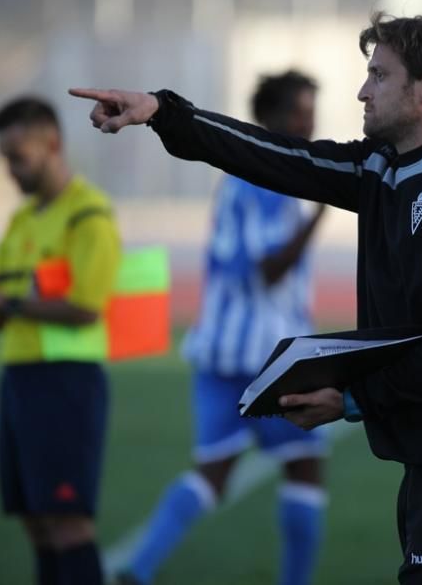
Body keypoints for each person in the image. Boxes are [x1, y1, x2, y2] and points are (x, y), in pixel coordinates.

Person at [71, 12, 422, 585]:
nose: (361, 91)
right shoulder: (384, 168)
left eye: (379, 75)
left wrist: (350, 399)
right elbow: (278, 157)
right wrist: (163, 113)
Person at [116, 71, 328, 585]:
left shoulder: (246, 175)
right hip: (265, 356)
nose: (310, 122)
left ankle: (138, 568)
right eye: (301, 112)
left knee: (213, 473)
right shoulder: (265, 180)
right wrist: (323, 209)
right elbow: (267, 270)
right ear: (273, 118)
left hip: (219, 352)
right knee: (304, 468)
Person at [0, 97, 121, 585]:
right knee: (37, 524)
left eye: (16, 156)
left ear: (53, 144)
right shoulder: (23, 219)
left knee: (67, 524)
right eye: (4, 158)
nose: (9, 169)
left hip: (67, 384)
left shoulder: (88, 215)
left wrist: (10, 306)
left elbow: (88, 307)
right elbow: (3, 315)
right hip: (20, 380)